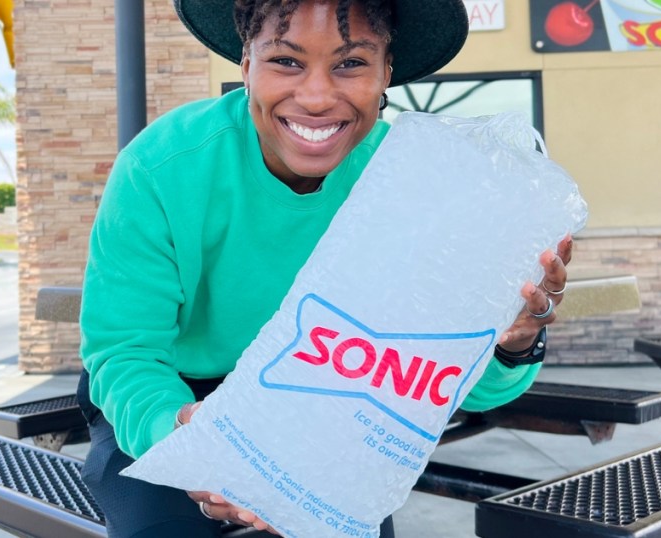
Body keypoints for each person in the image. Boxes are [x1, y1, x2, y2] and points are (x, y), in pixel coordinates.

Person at [78, 0, 574, 536]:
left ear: (387, 71)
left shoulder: (414, 186)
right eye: (286, 62)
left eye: (350, 63)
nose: (315, 97)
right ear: (245, 63)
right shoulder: (161, 168)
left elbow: (462, 390)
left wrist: (512, 341)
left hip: (318, 398)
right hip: (171, 391)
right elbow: (125, 352)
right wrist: (187, 436)